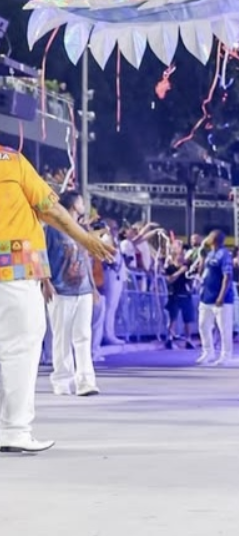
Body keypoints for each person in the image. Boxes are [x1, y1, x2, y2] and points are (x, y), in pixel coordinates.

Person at [0, 146, 115, 453]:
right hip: (13, 272)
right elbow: (49, 208)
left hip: (20, 274)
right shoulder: (10, 161)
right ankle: (13, 430)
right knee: (18, 349)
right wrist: (86, 238)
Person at [43, 191, 101, 397]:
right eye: (81, 201)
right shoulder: (52, 229)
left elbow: (85, 259)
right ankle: (61, 380)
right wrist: (45, 282)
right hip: (60, 290)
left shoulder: (82, 230)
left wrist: (93, 287)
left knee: (83, 336)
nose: (84, 205)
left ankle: (86, 382)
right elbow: (42, 255)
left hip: (82, 290)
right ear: (73, 205)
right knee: (62, 338)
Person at [195, 231, 236, 366]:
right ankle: (208, 352)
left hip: (221, 298)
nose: (206, 238)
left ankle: (226, 355)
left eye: (210, 236)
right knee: (203, 326)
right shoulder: (209, 254)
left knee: (224, 328)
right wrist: (202, 258)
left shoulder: (224, 255)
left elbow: (227, 276)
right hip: (206, 296)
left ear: (215, 239)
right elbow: (202, 272)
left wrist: (221, 295)